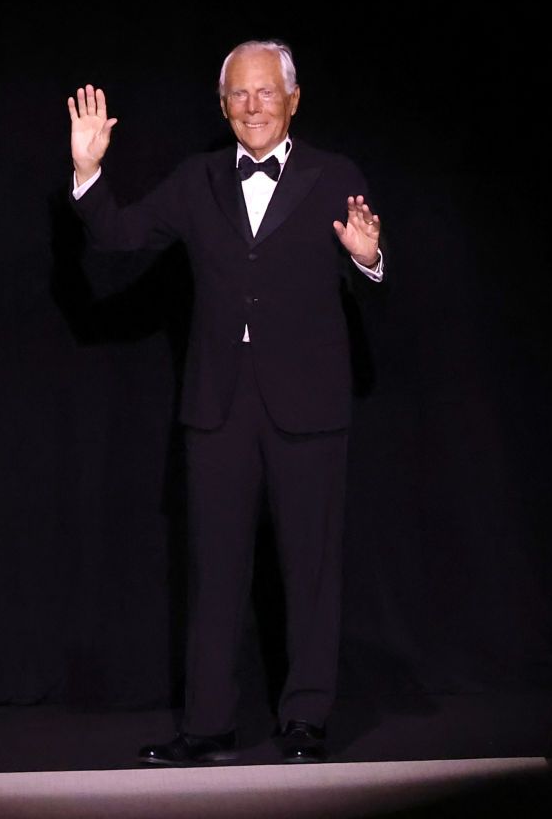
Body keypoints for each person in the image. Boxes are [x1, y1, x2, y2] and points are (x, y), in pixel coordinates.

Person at [68, 39, 383, 765]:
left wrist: (368, 258)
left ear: (293, 99)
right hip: (216, 409)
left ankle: (306, 719)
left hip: (310, 407)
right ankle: (207, 725)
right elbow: (119, 236)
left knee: (310, 569)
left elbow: (380, 284)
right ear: (222, 105)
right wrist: (88, 172)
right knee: (213, 572)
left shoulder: (336, 176)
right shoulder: (197, 179)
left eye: (265, 92)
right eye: (238, 95)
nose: (252, 106)